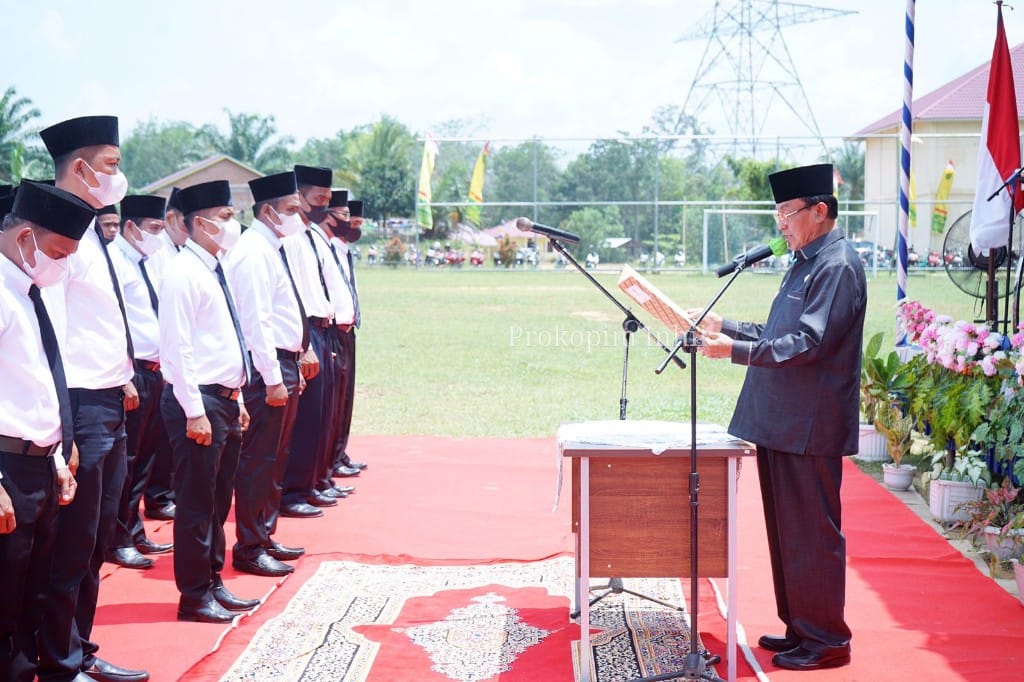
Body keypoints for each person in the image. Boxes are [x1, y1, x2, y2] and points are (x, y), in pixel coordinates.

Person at [691, 163, 863, 672]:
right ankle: (801, 628)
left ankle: (827, 639)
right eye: (778, 214)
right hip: (781, 420)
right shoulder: (805, 259)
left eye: (787, 214)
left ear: (820, 210)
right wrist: (730, 327)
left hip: (809, 426)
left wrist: (733, 353)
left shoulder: (838, 265)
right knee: (788, 533)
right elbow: (778, 330)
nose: (781, 224)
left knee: (813, 535)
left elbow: (808, 343)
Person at [37, 115, 149, 682]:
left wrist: (123, 374)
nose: (118, 176)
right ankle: (59, 660)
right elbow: (51, 331)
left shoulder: (90, 225)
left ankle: (80, 648)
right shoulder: (55, 227)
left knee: (97, 535)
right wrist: (65, 428)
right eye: (110, 164)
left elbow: (98, 319)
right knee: (71, 542)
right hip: (77, 406)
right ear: (79, 168)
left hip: (108, 396)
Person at [0, 180, 90, 682]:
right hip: (6, 469)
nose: (62, 266)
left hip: (37, 467)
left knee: (31, 597)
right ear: (25, 238)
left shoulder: (29, 293)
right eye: (58, 252)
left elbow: (35, 386)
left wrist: (55, 457)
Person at [158, 179, 259, 623]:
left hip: (221, 398)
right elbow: (177, 349)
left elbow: (218, 342)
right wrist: (194, 411)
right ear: (200, 223)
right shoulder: (183, 272)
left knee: (218, 502)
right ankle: (194, 594)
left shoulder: (212, 268)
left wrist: (234, 395)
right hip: (195, 403)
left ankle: (213, 580)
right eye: (224, 217)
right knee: (197, 504)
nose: (232, 224)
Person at [224, 171, 314, 579]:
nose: (300, 216)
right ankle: (249, 546)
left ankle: (264, 533)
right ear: (268, 210)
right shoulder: (252, 252)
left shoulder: (271, 246)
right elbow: (255, 321)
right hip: (267, 369)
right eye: (292, 209)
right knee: (259, 459)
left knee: (276, 458)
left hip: (284, 362)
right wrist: (273, 376)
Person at [106, 195, 174, 570]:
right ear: (130, 227)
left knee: (145, 457)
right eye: (153, 229)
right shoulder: (114, 263)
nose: (158, 236)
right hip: (131, 374)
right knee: (126, 460)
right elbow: (112, 323)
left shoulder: (149, 261)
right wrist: (124, 374)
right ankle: (117, 536)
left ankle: (134, 528)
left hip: (155, 370)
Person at [281, 165, 341, 511]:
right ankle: (293, 492)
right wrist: (304, 345)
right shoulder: (289, 241)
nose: (323, 206)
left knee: (320, 416)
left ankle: (313, 481)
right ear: (300, 196)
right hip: (305, 332)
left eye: (327, 200)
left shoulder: (312, 235)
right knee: (303, 421)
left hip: (322, 328)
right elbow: (295, 296)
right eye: (318, 199)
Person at [329, 198, 368, 478]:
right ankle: (329, 459)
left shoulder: (344, 251)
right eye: (352, 221)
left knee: (345, 400)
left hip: (348, 330)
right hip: (332, 332)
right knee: (333, 403)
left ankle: (339, 453)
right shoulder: (329, 249)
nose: (356, 227)